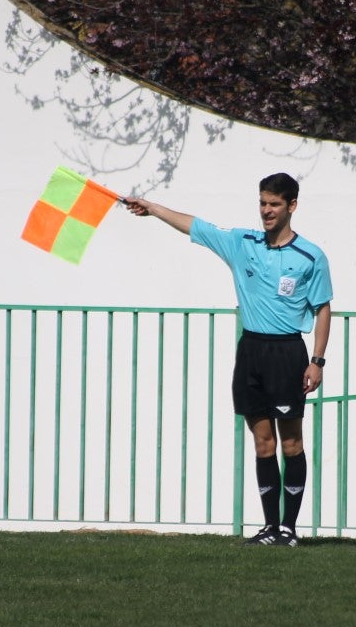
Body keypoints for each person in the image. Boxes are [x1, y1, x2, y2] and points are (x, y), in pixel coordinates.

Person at [124, 173, 332, 547]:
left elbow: (323, 308)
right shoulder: (242, 242)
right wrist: (153, 208)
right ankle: (270, 528)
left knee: (292, 443)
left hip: (288, 352)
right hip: (251, 350)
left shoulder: (310, 256)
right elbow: (195, 225)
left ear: (292, 206)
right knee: (263, 443)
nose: (267, 211)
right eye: (263, 203)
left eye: (274, 204)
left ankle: (290, 528)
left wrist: (316, 360)